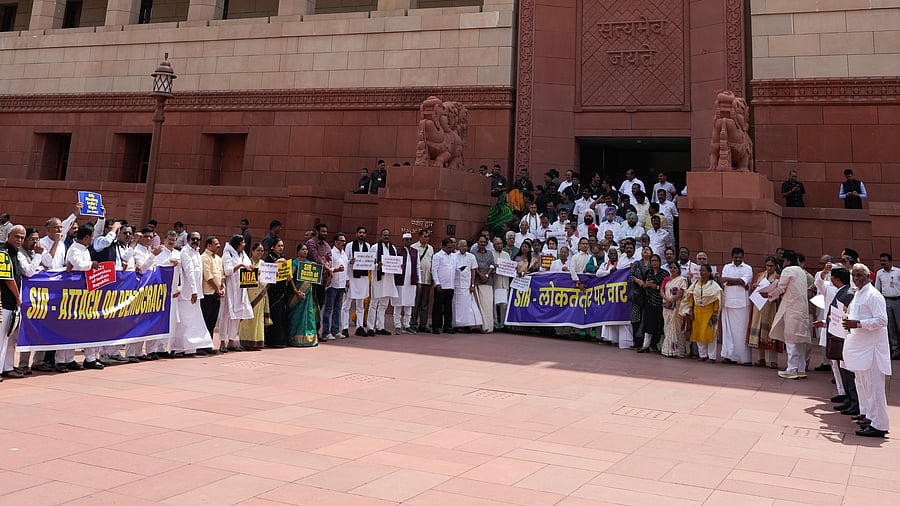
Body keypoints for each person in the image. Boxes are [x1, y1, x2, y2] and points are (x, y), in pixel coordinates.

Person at [842, 263, 892, 437]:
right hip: (861, 348)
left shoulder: (873, 295)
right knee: (866, 387)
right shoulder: (858, 294)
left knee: (875, 388)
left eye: (860, 276)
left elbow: (881, 320)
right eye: (854, 275)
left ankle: (880, 426)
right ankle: (871, 418)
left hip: (872, 351)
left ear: (869, 277)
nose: (856, 279)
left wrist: (857, 324)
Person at [63, 225, 104, 370]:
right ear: (86, 237)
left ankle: (87, 358)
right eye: (91, 236)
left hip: (85, 294)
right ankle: (64, 359)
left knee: (85, 326)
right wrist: (91, 264)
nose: (92, 239)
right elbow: (79, 264)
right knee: (69, 326)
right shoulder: (74, 249)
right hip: (73, 293)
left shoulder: (84, 249)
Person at [767, 250, 812, 379]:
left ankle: (792, 369)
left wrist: (769, 294)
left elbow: (781, 288)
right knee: (800, 341)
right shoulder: (802, 272)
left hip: (792, 309)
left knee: (791, 340)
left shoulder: (788, 270)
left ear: (786, 260)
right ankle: (801, 369)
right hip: (802, 310)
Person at [174, 232, 214, 355]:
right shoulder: (185, 252)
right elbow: (189, 272)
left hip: (196, 293)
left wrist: (197, 291)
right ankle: (180, 348)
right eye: (193, 239)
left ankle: (190, 348)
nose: (195, 241)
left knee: (193, 322)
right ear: (188, 239)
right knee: (185, 322)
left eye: (198, 239)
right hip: (188, 294)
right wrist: (194, 291)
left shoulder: (196, 252)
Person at [0, 225, 27, 378]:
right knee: (1, 339)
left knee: (8, 339)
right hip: (4, 301)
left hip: (11, 304)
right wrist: (18, 297)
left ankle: (6, 367)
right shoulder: (3, 251)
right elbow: (8, 279)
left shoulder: (16, 252)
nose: (19, 240)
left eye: (22, 238)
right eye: (17, 236)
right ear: (9, 235)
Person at [219, 234, 254, 352]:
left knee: (237, 316)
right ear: (237, 244)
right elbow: (228, 271)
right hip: (230, 289)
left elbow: (249, 264)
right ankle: (222, 341)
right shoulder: (227, 254)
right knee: (226, 316)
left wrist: (250, 267)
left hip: (240, 289)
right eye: (242, 242)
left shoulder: (243, 254)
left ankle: (232, 340)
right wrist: (240, 265)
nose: (244, 244)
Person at [719, 247, 753, 366]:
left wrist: (731, 281)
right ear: (732, 257)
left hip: (742, 304)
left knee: (742, 332)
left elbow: (744, 281)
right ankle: (729, 356)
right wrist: (737, 282)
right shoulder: (727, 267)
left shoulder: (748, 268)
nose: (737, 259)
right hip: (728, 303)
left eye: (739, 257)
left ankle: (744, 358)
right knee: (728, 331)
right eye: (735, 257)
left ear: (743, 257)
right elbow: (723, 281)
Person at [749, 256, 782, 369]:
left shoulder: (778, 277)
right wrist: (754, 287)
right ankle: (761, 359)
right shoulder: (760, 275)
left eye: (771, 266)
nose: (769, 268)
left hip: (771, 307)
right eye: (767, 265)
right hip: (759, 307)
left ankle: (772, 360)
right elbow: (753, 288)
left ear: (775, 266)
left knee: (770, 333)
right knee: (758, 333)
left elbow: (780, 292)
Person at [684, 264, 722, 362]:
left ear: (709, 272)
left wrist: (715, 313)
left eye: (704, 270)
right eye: (700, 270)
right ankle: (703, 355)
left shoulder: (714, 285)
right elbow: (691, 295)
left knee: (710, 334)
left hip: (709, 312)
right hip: (697, 311)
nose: (701, 272)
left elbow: (717, 299)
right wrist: (691, 309)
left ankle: (712, 357)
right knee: (698, 333)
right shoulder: (696, 283)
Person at [288, 244, 319, 347]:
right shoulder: (294, 263)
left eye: (306, 249)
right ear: (298, 252)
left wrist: (315, 269)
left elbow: (314, 279)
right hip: (296, 294)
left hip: (308, 295)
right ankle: (294, 339)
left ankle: (309, 339)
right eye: (303, 249)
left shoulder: (310, 264)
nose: (305, 251)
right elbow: (290, 278)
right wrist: (295, 291)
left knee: (308, 315)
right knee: (296, 315)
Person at [636, 253, 668, 353]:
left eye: (656, 261)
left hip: (660, 302)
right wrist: (646, 285)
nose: (654, 263)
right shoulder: (648, 272)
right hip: (649, 301)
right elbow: (644, 286)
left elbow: (667, 287)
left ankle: (662, 346)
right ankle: (646, 345)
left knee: (660, 324)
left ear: (659, 262)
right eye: (652, 261)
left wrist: (656, 287)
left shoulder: (664, 273)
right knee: (648, 324)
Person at [368, 229, 397, 336]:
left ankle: (380, 327)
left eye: (388, 235)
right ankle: (371, 327)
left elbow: (395, 262)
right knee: (374, 303)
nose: (387, 237)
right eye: (385, 235)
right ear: (381, 236)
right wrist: (377, 265)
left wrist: (399, 266)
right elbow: (370, 262)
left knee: (384, 304)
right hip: (378, 278)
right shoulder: (375, 247)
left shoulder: (393, 248)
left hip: (389, 279)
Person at [345, 226, 372, 337]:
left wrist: (372, 262)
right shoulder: (350, 246)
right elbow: (345, 261)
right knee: (347, 304)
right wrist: (350, 262)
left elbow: (368, 261)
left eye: (364, 233)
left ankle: (359, 327)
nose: (362, 234)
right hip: (352, 277)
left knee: (360, 304)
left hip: (363, 278)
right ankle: (345, 328)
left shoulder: (368, 246)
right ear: (356, 234)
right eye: (360, 232)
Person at [199, 236, 224, 355]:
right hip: (208, 293)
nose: (218, 245)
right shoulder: (204, 257)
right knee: (205, 320)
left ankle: (208, 344)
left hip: (217, 294)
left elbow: (221, 275)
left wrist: (222, 287)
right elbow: (207, 277)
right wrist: (217, 289)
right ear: (209, 245)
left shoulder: (218, 258)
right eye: (216, 243)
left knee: (213, 321)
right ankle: (201, 346)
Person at [321, 232, 348, 340]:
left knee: (338, 308)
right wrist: (336, 270)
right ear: (336, 241)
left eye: (344, 241)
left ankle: (335, 330)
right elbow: (328, 268)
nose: (343, 243)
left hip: (341, 285)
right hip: (332, 285)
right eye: (341, 241)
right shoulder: (331, 253)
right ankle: (326, 331)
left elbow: (346, 270)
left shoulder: (344, 254)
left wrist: (346, 283)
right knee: (328, 308)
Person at [452, 239, 482, 332]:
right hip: (456, 284)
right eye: (462, 246)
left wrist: (472, 284)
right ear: (458, 246)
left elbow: (473, 270)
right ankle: (457, 324)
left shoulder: (471, 256)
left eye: (465, 246)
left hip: (466, 284)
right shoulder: (453, 256)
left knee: (467, 305)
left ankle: (467, 324)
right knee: (456, 305)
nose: (464, 248)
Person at [391, 233, 418, 334]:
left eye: (410, 240)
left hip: (411, 282)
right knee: (398, 303)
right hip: (400, 281)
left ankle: (407, 325)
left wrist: (418, 280)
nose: (408, 242)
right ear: (403, 241)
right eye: (406, 240)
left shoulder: (415, 252)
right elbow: (393, 264)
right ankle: (397, 325)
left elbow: (417, 266)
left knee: (409, 304)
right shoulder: (398, 251)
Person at [874, 252, 900, 360]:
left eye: (884, 261)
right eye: (881, 261)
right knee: (891, 327)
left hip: (898, 301)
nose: (882, 263)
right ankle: (895, 351)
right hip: (886, 301)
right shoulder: (879, 273)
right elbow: (877, 289)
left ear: (890, 261)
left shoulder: (898, 272)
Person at [660, 262, 688, 357]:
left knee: (677, 328)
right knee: (667, 327)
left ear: (678, 269)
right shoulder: (666, 279)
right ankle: (668, 350)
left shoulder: (682, 280)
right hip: (667, 307)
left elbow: (681, 293)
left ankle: (679, 351)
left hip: (677, 307)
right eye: (671, 268)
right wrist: (667, 300)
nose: (672, 270)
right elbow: (661, 290)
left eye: (674, 268)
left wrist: (671, 300)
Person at [431, 237, 456, 334]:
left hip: (450, 285)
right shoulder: (438, 256)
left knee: (448, 307)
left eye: (451, 248)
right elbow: (434, 270)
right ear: (444, 246)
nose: (450, 249)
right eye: (449, 248)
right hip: (440, 285)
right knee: (438, 307)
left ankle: (447, 326)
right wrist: (437, 283)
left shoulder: (453, 256)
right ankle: (436, 326)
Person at [411, 229, 433, 332]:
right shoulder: (413, 247)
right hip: (417, 280)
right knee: (415, 303)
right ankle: (413, 323)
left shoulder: (430, 248)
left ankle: (423, 325)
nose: (427, 238)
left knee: (424, 303)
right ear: (420, 237)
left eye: (428, 236)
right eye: (425, 236)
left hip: (427, 279)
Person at [472, 236, 495, 333]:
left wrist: (486, 275)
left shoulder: (490, 253)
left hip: (488, 282)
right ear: (477, 242)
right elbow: (474, 267)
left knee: (488, 305)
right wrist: (481, 275)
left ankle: (489, 326)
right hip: (478, 281)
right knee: (479, 305)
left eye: (484, 242)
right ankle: (480, 326)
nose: (482, 243)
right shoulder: (473, 253)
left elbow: (492, 265)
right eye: (481, 241)